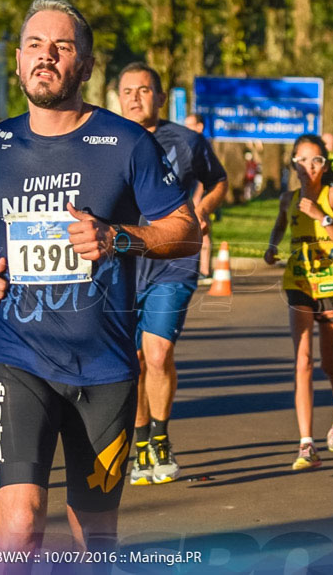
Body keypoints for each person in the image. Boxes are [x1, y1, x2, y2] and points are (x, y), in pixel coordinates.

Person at [0, 0, 198, 553]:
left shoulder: (128, 142)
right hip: (17, 356)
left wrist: (118, 238)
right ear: (18, 60)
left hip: (105, 368)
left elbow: (185, 230)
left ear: (84, 66)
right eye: (35, 45)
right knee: (20, 520)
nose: (46, 56)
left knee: (95, 535)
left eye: (62, 47)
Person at [117, 63, 227, 486]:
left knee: (158, 354)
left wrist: (202, 209)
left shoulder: (187, 140)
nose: (135, 98)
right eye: (127, 91)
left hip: (173, 261)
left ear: (160, 98)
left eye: (144, 90)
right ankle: (141, 442)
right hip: (122, 264)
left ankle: (160, 438)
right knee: (134, 360)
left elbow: (218, 180)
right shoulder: (105, 139)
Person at [265, 134, 333, 471]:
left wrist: (321, 216)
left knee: (329, 362)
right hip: (299, 279)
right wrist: (272, 247)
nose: (309, 167)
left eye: (316, 160)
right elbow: (278, 227)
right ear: (292, 163)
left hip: (331, 281)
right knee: (302, 359)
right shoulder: (288, 198)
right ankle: (306, 444)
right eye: (302, 160)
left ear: (326, 164)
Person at [184, 113, 214, 281]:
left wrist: (197, 198)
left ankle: (204, 270)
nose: (186, 129)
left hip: (201, 196)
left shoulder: (202, 145)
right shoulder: (190, 144)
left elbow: (204, 177)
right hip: (190, 194)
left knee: (203, 229)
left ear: (199, 127)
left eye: (190, 125)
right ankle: (199, 268)